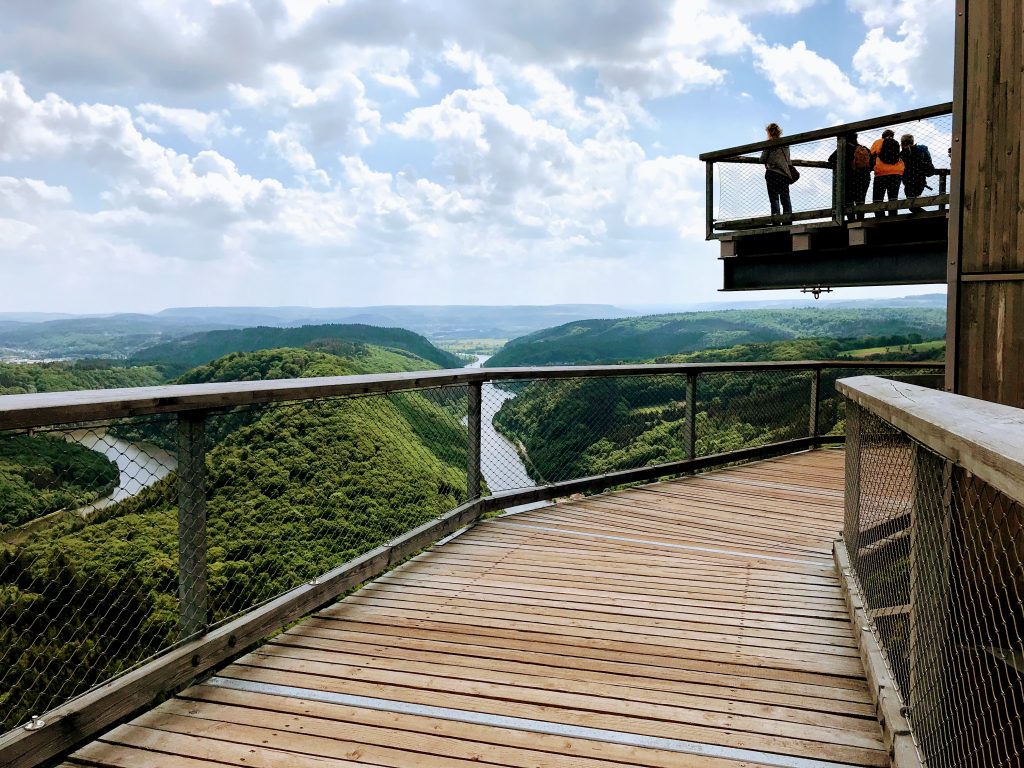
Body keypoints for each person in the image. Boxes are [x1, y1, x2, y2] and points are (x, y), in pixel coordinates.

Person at [827, 131, 872, 221]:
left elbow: (830, 159)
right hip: (864, 178)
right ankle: (860, 220)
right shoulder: (864, 149)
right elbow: (871, 164)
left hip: (850, 179)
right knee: (860, 201)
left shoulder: (844, 149)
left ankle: (851, 221)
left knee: (849, 201)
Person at [760, 123, 794, 225]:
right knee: (785, 198)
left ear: (768, 132)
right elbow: (788, 159)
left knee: (774, 199)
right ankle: (787, 221)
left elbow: (762, 159)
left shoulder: (769, 143)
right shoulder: (785, 144)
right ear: (779, 131)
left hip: (772, 174)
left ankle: (776, 221)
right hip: (784, 174)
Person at [870, 129, 904, 217]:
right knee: (893, 198)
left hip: (881, 173)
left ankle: (880, 218)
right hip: (896, 173)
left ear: (882, 136)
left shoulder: (878, 142)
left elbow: (871, 154)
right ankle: (892, 218)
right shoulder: (896, 143)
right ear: (892, 136)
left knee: (878, 199)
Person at [900, 133, 936, 214]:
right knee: (913, 205)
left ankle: (928, 217)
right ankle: (927, 216)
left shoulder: (903, 154)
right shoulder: (922, 150)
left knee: (912, 206)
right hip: (920, 180)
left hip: (909, 181)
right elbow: (929, 165)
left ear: (902, 143)